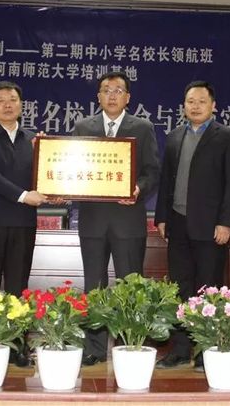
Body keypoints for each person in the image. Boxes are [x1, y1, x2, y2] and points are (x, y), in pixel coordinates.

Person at [72, 71, 160, 366]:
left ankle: (129, 344)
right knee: (93, 287)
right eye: (106, 90)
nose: (112, 95)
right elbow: (72, 168)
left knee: (130, 287)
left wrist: (139, 189)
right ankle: (94, 348)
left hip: (128, 220)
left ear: (128, 97)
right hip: (93, 221)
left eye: (118, 90)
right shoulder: (83, 127)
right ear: (98, 96)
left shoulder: (143, 128)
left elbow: (152, 171)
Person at [154, 81, 230, 370]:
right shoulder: (174, 136)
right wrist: (162, 217)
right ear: (184, 106)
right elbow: (166, 180)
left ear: (213, 106)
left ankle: (206, 349)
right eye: (190, 101)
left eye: (201, 101)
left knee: (208, 289)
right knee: (181, 288)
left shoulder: (227, 137)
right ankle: (180, 349)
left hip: (210, 227)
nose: (195, 106)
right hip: (177, 224)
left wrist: (226, 222)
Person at [0, 81, 53, 367]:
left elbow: (44, 176)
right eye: (1, 100)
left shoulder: (33, 140)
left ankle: (17, 345)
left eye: (13, 99)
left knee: (19, 286)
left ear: (21, 105)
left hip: (22, 224)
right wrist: (24, 196)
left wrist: (48, 157)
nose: (7, 105)